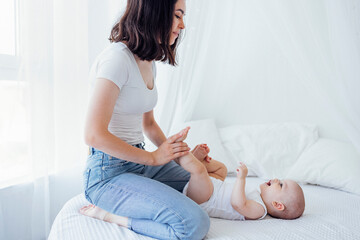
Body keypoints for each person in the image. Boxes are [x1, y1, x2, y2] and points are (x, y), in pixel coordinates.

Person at [79, 0, 210, 239]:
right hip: (108, 174)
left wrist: (177, 152)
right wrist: (152, 157)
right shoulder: (117, 59)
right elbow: (93, 134)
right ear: (156, 11)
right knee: (194, 224)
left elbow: (148, 125)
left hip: (139, 163)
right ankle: (112, 215)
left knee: (204, 181)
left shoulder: (148, 61)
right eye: (178, 15)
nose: (182, 25)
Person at [81, 140, 305, 227]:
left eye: (281, 185)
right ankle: (200, 160)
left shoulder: (260, 210)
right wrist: (222, 172)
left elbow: (238, 204)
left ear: (278, 205)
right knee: (219, 169)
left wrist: (242, 178)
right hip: (214, 189)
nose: (276, 179)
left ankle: (189, 159)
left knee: (198, 172)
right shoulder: (261, 197)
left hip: (206, 199)